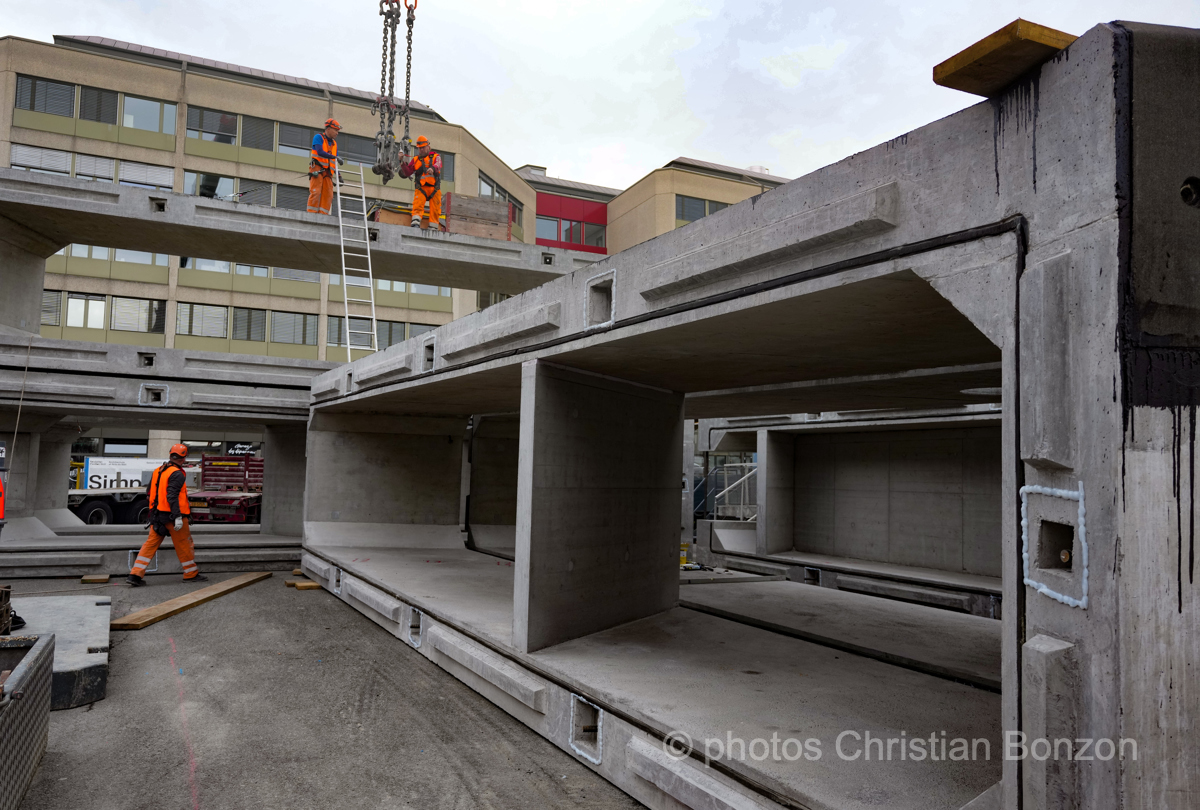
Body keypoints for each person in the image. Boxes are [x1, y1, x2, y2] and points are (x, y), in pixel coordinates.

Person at [127, 444, 207, 586]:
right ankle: (190, 573)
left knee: (150, 544)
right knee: (184, 544)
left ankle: (135, 575)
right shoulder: (176, 473)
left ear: (171, 455)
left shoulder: (158, 470)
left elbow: (149, 493)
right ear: (184, 458)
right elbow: (172, 496)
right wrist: (177, 517)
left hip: (157, 516)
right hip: (173, 516)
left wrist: (154, 513)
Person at [404, 136, 444, 229]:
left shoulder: (435, 156)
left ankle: (433, 227)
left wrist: (433, 168)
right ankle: (415, 223)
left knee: (436, 209)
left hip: (435, 189)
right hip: (421, 188)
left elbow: (438, 164)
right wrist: (402, 162)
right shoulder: (416, 159)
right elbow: (407, 172)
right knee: (417, 205)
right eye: (419, 148)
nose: (421, 150)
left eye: (423, 147)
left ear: (428, 147)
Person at [307, 118, 344, 215]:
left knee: (328, 195)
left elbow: (334, 162)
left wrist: (339, 175)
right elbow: (320, 151)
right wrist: (334, 156)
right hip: (317, 169)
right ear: (328, 129)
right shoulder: (318, 137)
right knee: (316, 192)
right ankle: (311, 213)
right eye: (335, 130)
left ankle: (323, 215)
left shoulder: (334, 144)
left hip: (328, 173)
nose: (337, 133)